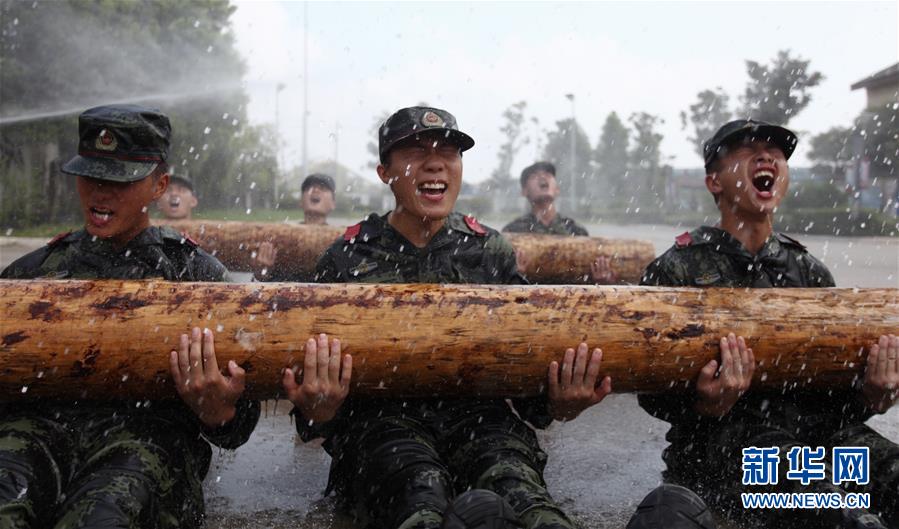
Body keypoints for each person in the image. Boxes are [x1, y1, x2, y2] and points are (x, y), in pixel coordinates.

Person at [282, 106, 613, 528]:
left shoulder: (489, 251)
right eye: (416, 151)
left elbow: (529, 379)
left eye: (449, 152)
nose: (436, 162)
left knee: (528, 504)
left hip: (482, 424)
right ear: (385, 171)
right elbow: (311, 409)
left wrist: (558, 402)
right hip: (384, 428)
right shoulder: (347, 257)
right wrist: (320, 411)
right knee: (419, 502)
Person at [0, 104, 260, 528]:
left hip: (144, 435)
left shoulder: (196, 279)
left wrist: (219, 410)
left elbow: (239, 425)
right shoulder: (31, 275)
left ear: (159, 185)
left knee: (107, 516)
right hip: (35, 431)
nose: (101, 193)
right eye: (92, 176)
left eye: (119, 180)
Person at [639, 119, 898, 528]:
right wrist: (705, 403)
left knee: (891, 476)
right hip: (724, 448)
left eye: (776, 153)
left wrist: (871, 396)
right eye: (746, 150)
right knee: (840, 514)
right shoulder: (678, 268)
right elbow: (649, 390)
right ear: (714, 182)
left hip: (823, 441)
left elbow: (832, 395)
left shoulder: (809, 271)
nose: (767, 158)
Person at [503, 161, 615, 284]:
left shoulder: (576, 231)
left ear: (557, 189)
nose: (543, 177)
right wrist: (515, 276)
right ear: (524, 191)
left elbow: (586, 284)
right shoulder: (512, 232)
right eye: (534, 176)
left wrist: (602, 281)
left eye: (548, 175)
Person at [253, 173, 337, 280]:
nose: (315, 190)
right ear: (301, 201)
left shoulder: (340, 243)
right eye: (309, 188)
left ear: (333, 203)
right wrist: (263, 273)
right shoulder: (280, 237)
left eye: (323, 188)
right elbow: (265, 281)